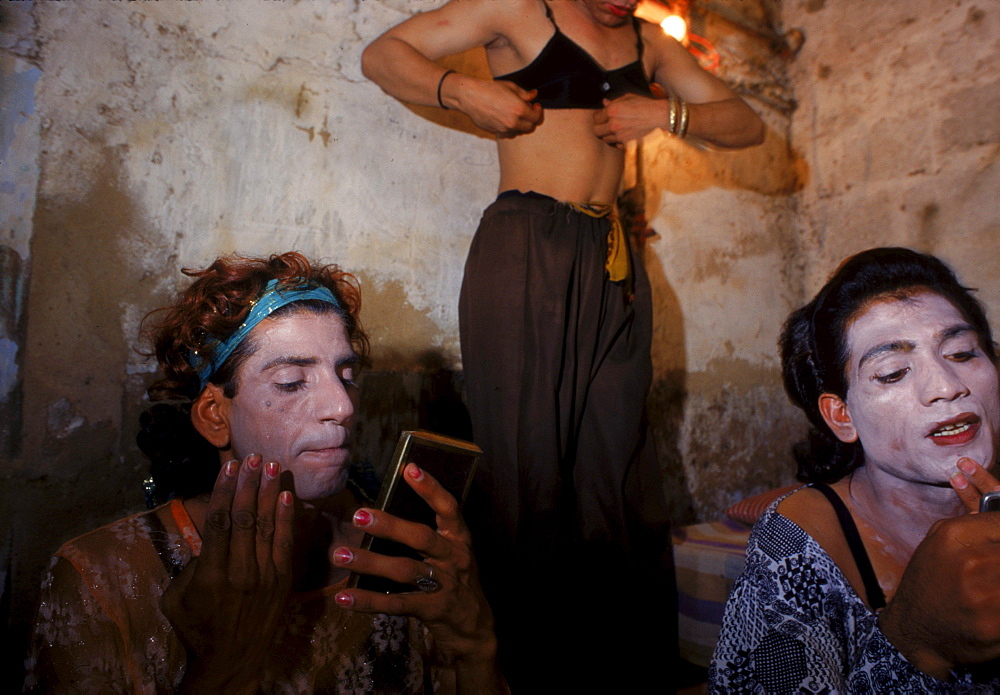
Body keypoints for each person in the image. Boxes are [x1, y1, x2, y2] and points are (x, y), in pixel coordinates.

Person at [362, 1, 764, 686]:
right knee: (525, 472)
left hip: (613, 257)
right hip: (526, 240)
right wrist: (464, 92)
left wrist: (667, 115)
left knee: (621, 471)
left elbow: (746, 123)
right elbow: (383, 55)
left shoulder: (646, 42)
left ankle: (626, 673)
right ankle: (521, 671)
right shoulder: (518, 8)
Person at [24, 252, 505, 694]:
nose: (341, 407)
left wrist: (476, 648)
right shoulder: (102, 577)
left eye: (347, 375)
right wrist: (223, 667)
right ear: (215, 414)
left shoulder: (401, 563)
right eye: (292, 382)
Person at [710, 247, 1000, 692]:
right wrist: (917, 642)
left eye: (961, 353)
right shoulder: (797, 540)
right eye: (892, 373)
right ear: (842, 415)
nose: (947, 386)